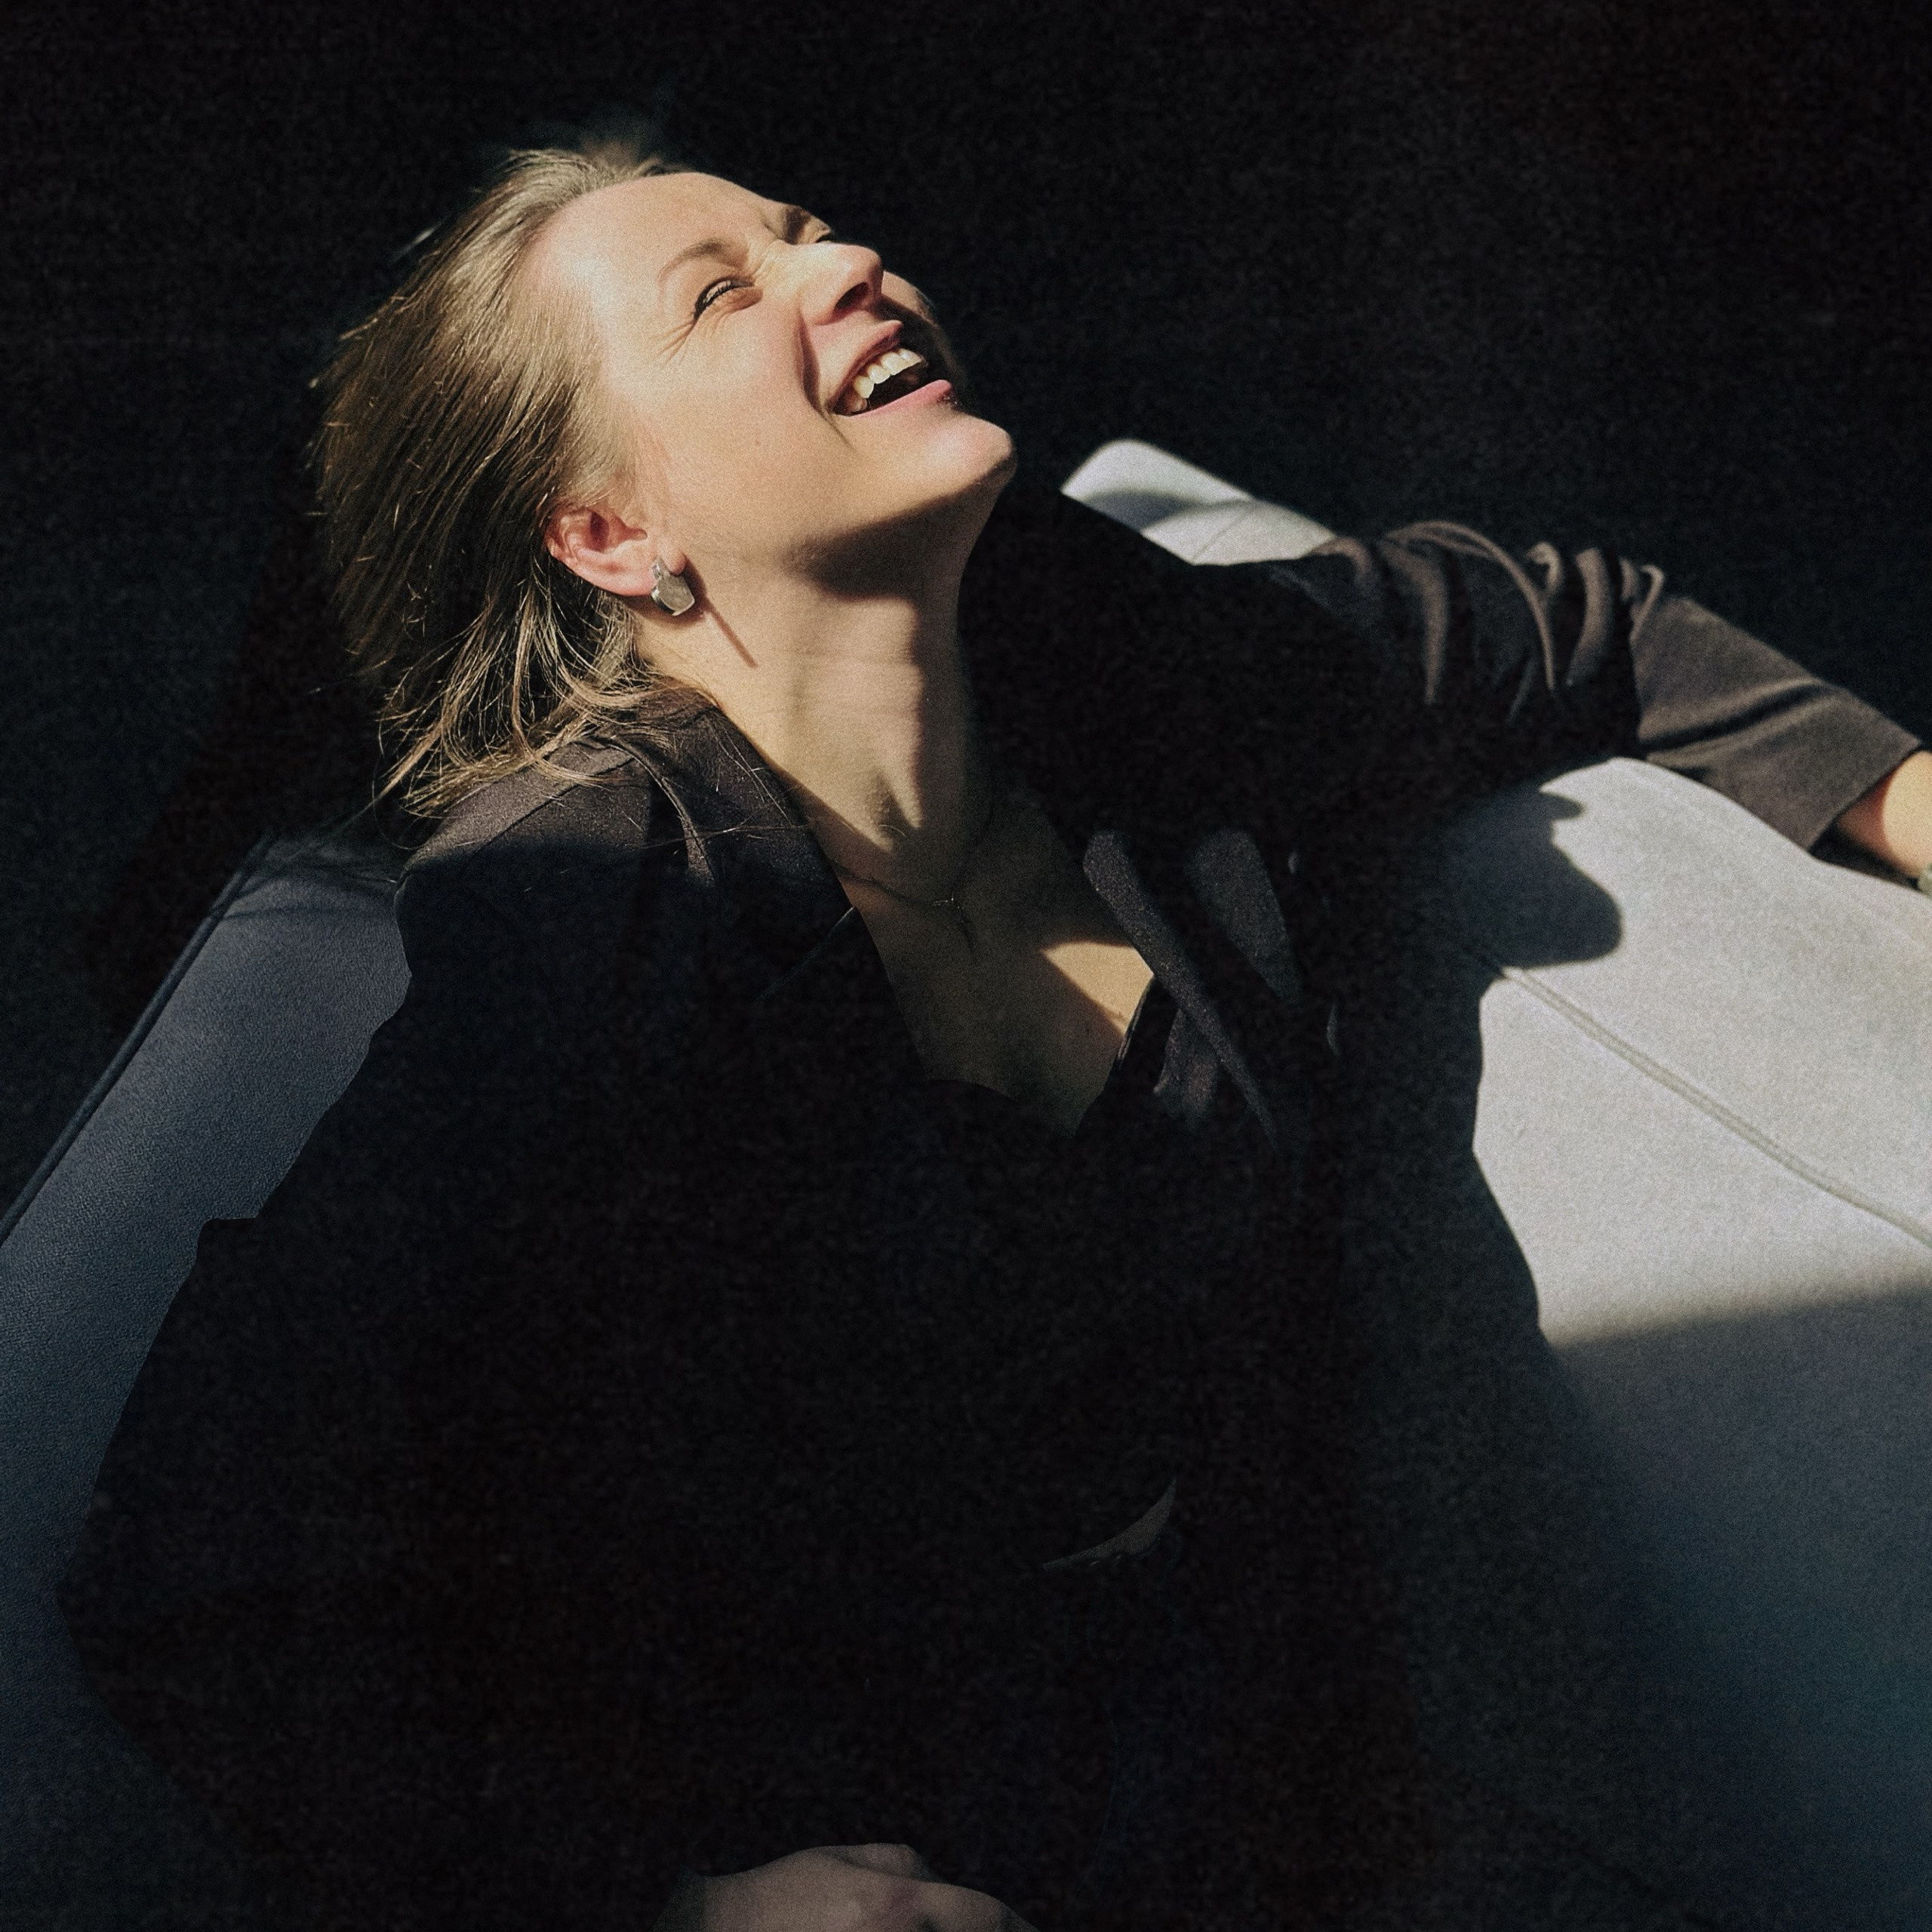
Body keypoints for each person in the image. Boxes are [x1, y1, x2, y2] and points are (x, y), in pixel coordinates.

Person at [59, 139, 1932, 1932]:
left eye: (805, 227)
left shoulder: (1094, 652)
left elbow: (1571, 628)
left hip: (1267, 1801)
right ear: (613, 535)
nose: (842, 262)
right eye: (721, 292)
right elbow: (184, 1570)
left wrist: (1906, 799)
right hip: (868, 1839)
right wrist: (665, 1901)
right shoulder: (583, 925)